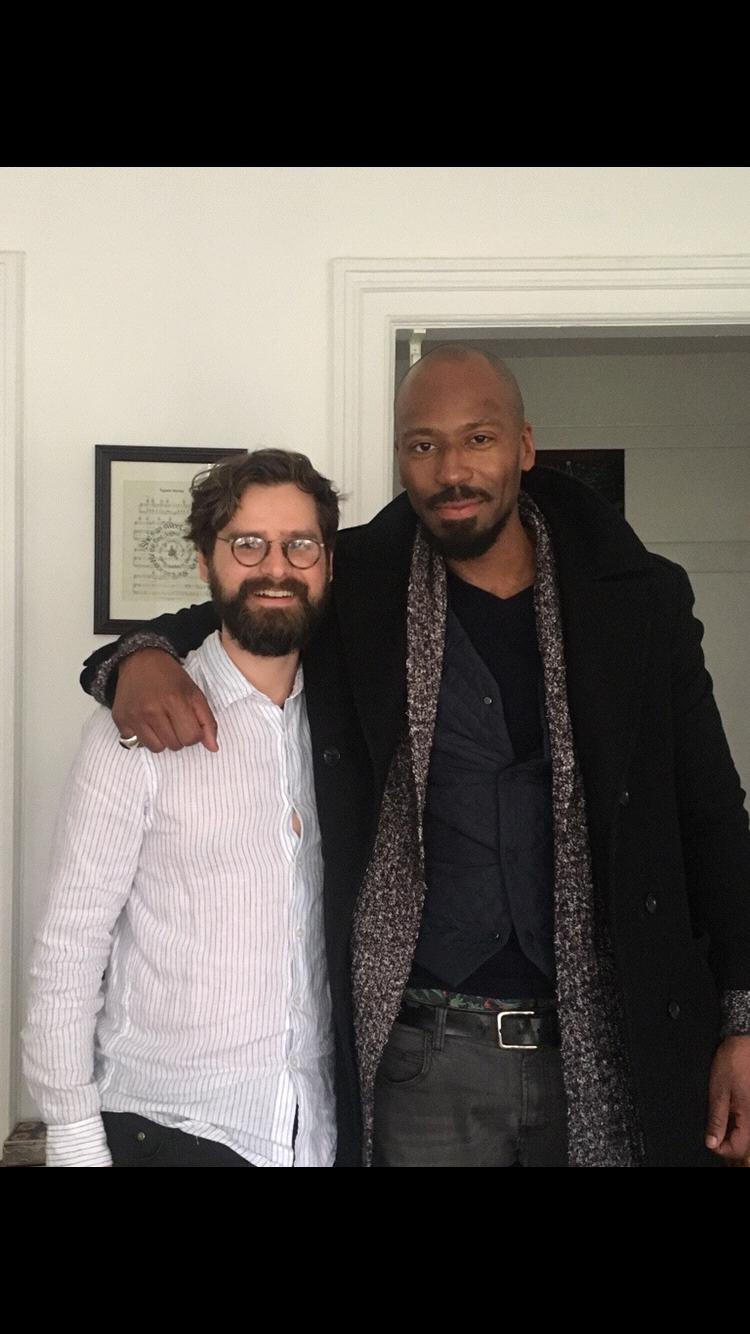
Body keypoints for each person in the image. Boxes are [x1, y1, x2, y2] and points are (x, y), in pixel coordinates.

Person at [79, 348, 750, 1167]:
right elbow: (227, 612)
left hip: (605, 1036)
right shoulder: (357, 581)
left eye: (478, 439)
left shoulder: (637, 597)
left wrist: (743, 1018)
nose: (451, 470)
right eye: (423, 446)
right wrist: (136, 657)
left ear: (525, 448)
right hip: (423, 1055)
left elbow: (714, 814)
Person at [24, 449, 341, 1167]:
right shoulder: (135, 726)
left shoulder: (346, 725)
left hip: (315, 1131)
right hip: (167, 1129)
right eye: (247, 544)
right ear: (207, 562)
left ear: (327, 563)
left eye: (301, 545)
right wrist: (74, 1143)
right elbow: (71, 947)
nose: (276, 568)